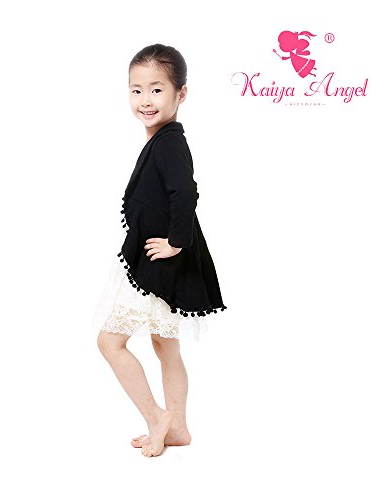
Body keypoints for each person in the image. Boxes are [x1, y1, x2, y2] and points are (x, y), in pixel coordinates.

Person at [92, 43, 227, 458]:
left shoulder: (169, 142)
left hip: (159, 261)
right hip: (162, 259)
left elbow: (186, 192)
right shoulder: (163, 140)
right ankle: (179, 428)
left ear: (180, 94)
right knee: (165, 345)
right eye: (136, 90)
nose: (145, 100)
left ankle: (157, 418)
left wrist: (176, 242)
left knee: (109, 342)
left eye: (156, 89)